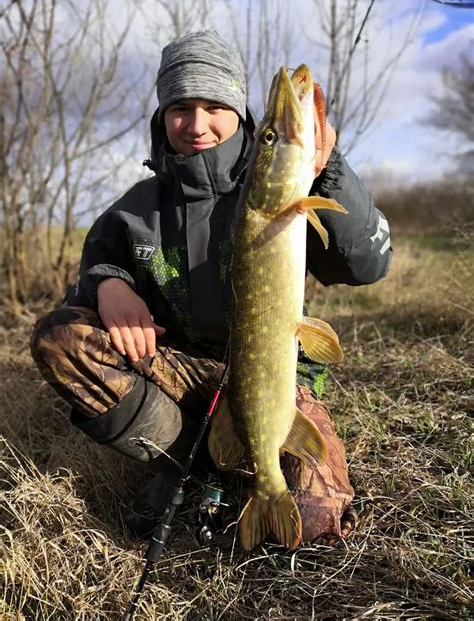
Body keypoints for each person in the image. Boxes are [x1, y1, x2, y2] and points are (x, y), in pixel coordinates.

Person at [30, 30, 392, 544]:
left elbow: (368, 264)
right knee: (60, 338)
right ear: (162, 115)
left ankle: (237, 469)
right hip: (178, 373)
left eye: (214, 106)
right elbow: (90, 275)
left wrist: (326, 167)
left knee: (314, 516)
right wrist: (108, 285)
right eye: (180, 107)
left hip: (274, 383)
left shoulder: (292, 191)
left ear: (240, 112)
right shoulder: (133, 211)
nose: (196, 125)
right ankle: (190, 460)